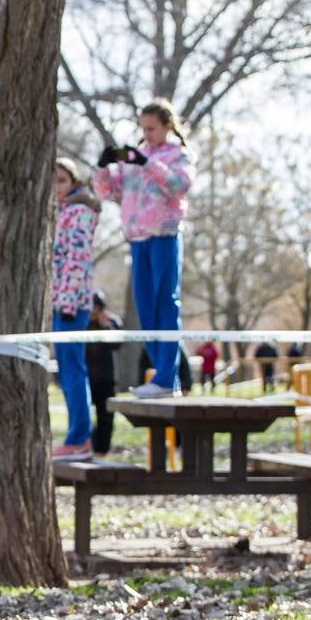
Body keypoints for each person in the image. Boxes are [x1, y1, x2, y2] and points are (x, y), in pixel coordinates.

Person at [93, 98, 196, 398]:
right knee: (145, 306)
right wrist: (103, 167)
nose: (147, 134)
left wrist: (148, 164)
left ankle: (168, 376)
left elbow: (179, 186)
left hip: (164, 235)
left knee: (166, 303)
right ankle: (160, 375)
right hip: (137, 238)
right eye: (143, 128)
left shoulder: (179, 155)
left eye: (152, 128)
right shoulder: (133, 159)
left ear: (167, 126)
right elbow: (108, 191)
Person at [51, 157, 100, 462]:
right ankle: (77, 436)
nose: (57, 187)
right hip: (60, 302)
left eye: (62, 180)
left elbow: (77, 260)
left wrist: (67, 302)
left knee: (73, 372)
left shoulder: (79, 212)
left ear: (74, 181)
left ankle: (80, 438)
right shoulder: (62, 211)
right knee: (67, 373)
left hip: (72, 304)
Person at [86, 290, 123, 457]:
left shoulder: (112, 321)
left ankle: (102, 450)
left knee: (106, 418)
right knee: (85, 415)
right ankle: (87, 445)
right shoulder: (82, 323)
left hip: (106, 378)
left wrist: (105, 326)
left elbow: (116, 345)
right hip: (87, 377)